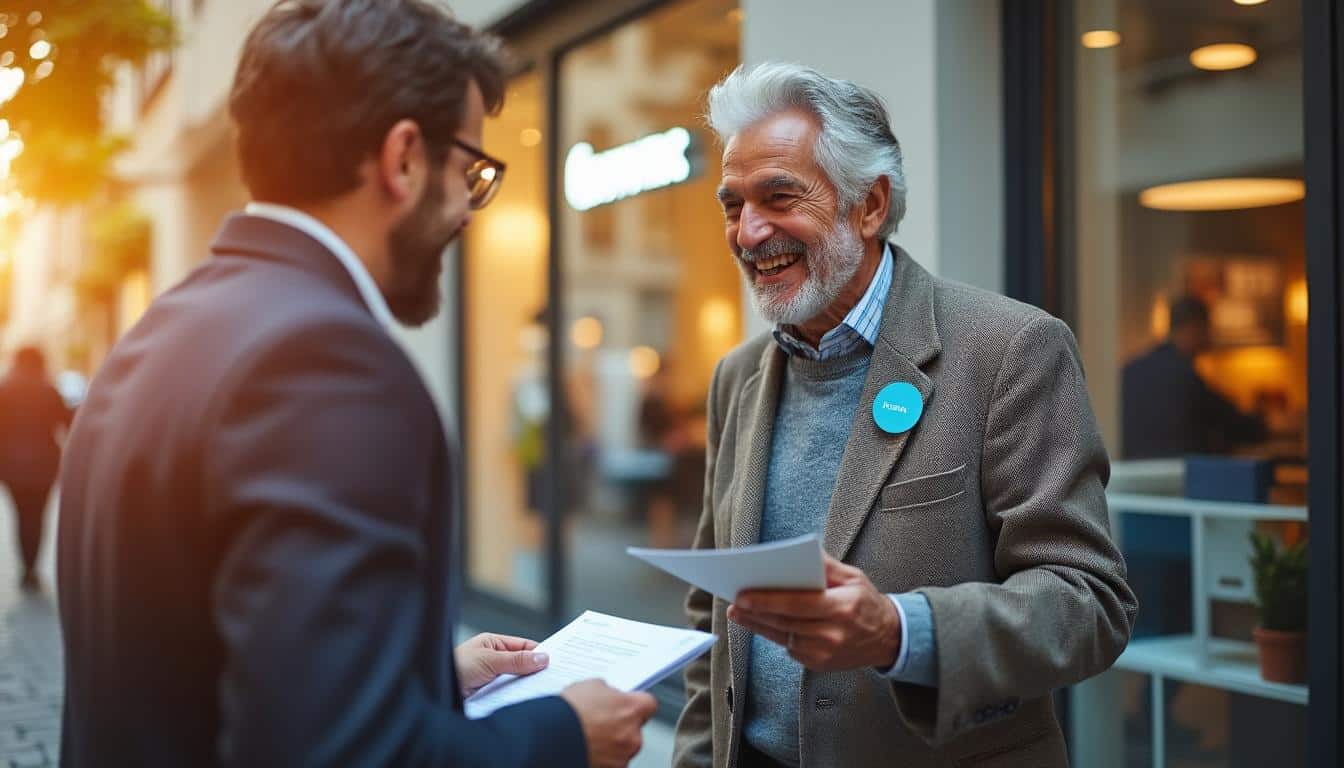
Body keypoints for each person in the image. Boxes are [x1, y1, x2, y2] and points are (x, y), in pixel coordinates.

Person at [57, 2, 654, 766]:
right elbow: (344, 753)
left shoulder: (162, 330)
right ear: (403, 158)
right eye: (469, 172)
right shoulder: (326, 363)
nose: (469, 213)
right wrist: (565, 734)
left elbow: (218, 669)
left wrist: (425, 679)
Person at [673, 63, 1137, 768]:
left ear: (870, 206)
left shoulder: (1010, 349)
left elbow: (1089, 603)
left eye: (779, 196)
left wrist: (900, 631)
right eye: (733, 206)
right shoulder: (737, 378)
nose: (749, 232)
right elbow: (710, 616)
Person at [1121, 295, 1267, 459]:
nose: (1209, 335)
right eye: (1207, 328)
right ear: (1194, 328)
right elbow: (1234, 424)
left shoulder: (1130, 371)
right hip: (1180, 472)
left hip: (1131, 472)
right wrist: (1262, 423)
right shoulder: (1186, 378)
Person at [0, 346, 71, 590]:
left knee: (21, 516)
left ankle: (26, 567)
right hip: (44, 466)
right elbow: (67, 422)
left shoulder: (5, 389)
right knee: (38, 517)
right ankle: (32, 567)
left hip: (11, 467)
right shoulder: (49, 389)